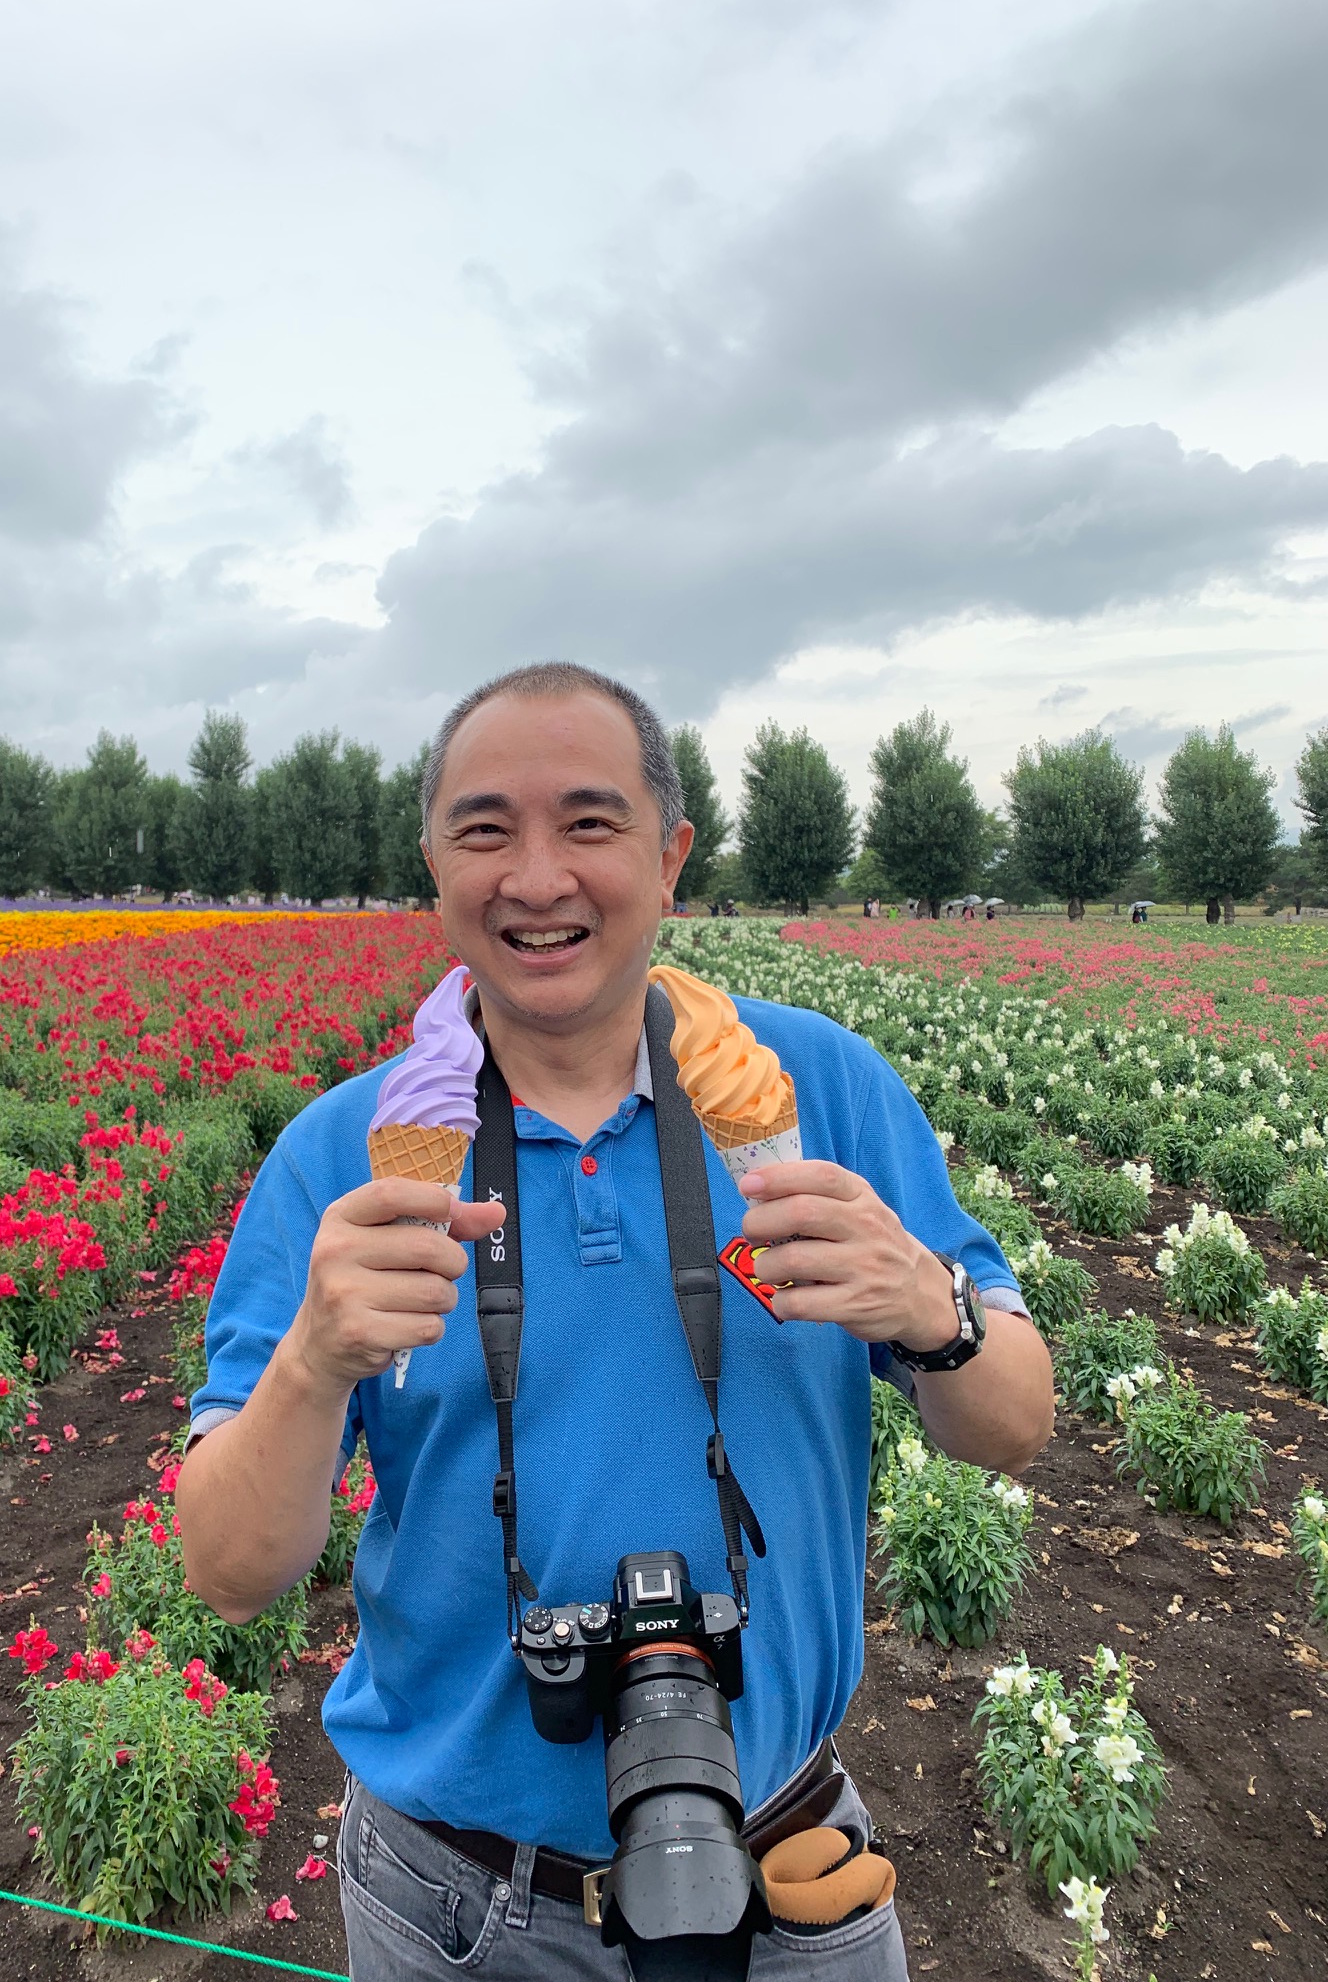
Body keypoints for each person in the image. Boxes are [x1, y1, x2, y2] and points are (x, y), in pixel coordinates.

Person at [177, 663, 1054, 1982]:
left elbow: (1016, 1426)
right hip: (459, 1904)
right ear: (435, 865)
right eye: (485, 831)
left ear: (670, 856)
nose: (538, 879)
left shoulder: (820, 1092)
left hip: (793, 1871)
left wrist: (936, 1309)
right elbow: (229, 1572)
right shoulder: (345, 1157)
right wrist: (310, 1361)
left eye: (590, 823)